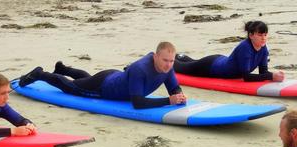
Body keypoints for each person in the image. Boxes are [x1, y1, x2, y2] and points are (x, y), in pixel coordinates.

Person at [18, 41, 187, 109]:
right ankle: (40, 74)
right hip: (103, 88)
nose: (169, 64)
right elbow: (137, 102)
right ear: (156, 56)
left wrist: (178, 94)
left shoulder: (168, 67)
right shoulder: (140, 69)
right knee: (70, 87)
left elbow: (173, 87)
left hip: (111, 77)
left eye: (172, 61)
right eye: (165, 60)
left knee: (85, 80)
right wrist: (168, 101)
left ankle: (63, 68)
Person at [174, 21, 285, 82]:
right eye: (260, 35)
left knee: (192, 63)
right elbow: (246, 77)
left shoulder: (263, 48)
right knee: (181, 68)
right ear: (251, 35)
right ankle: (164, 57)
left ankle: (178, 55)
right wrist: (271, 77)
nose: (263, 38)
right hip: (210, 68)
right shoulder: (245, 48)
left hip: (218, 60)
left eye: (265, 35)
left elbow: (263, 72)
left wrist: (273, 75)